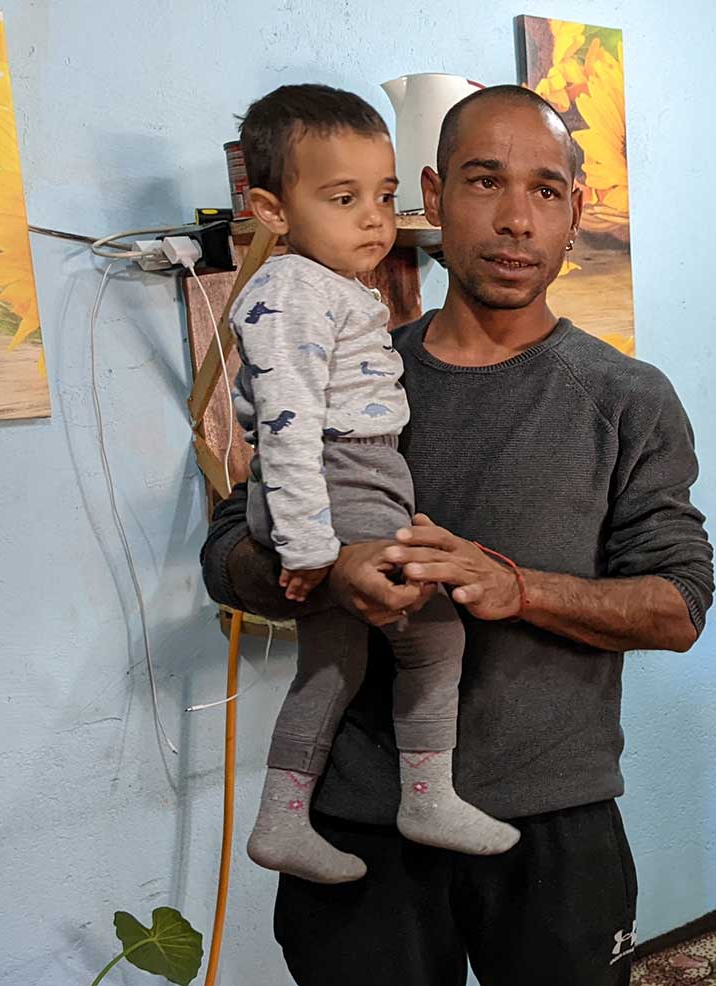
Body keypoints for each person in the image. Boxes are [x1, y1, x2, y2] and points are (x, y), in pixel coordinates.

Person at [200, 83, 713, 986]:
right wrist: (327, 571)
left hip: (552, 815)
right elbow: (228, 548)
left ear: (575, 211)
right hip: (363, 815)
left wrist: (519, 586)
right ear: (431, 196)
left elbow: (678, 604)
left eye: (548, 190)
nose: (518, 219)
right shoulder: (348, 363)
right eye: (485, 182)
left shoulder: (627, 400)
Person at [229, 83, 519, 885]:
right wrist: (314, 549)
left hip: (360, 473)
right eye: (343, 197)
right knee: (432, 633)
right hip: (342, 472)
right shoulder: (291, 294)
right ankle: (427, 795)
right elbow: (286, 430)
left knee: (333, 663)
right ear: (271, 208)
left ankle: (280, 818)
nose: (372, 218)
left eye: (384, 197)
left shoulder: (329, 289)